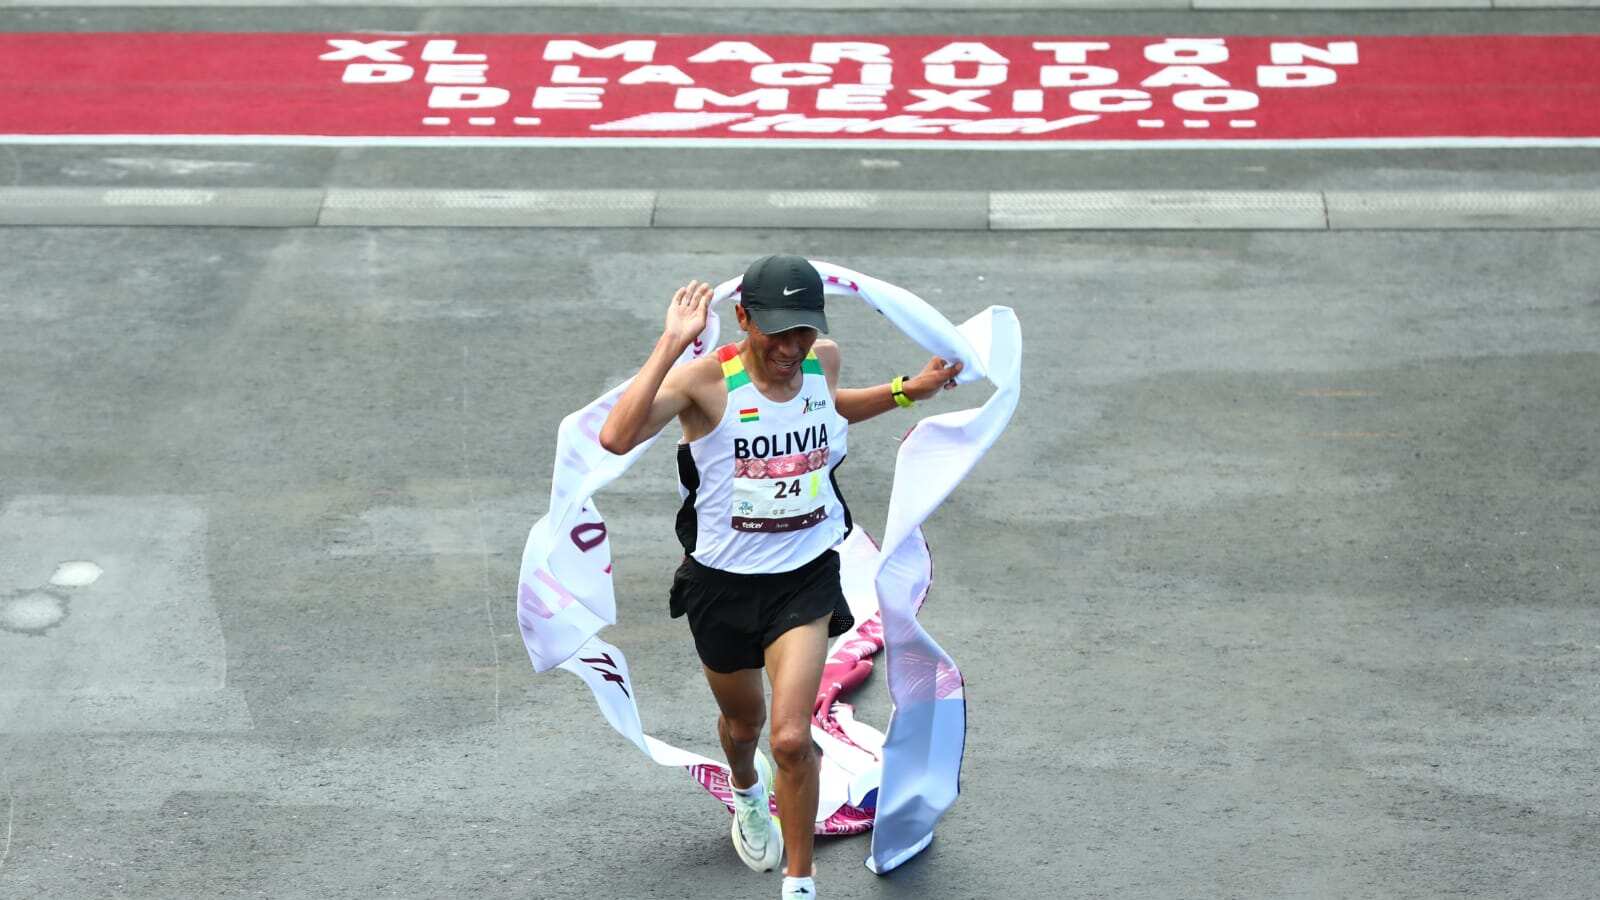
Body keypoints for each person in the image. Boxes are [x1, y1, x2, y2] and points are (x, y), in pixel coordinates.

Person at [598, 255, 962, 900]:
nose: (792, 348)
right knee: (744, 728)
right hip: (721, 587)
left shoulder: (823, 360)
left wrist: (909, 389)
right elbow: (616, 437)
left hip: (806, 579)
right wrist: (672, 342)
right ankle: (745, 790)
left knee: (791, 737)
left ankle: (800, 885)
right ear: (744, 319)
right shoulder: (703, 382)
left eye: (803, 330)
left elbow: (830, 409)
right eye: (778, 333)